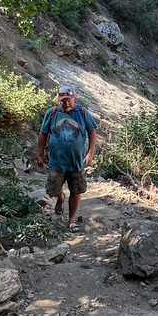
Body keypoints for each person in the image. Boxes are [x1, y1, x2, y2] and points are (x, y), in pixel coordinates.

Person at [36, 85, 97, 232]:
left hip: (77, 162)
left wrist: (90, 153)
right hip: (57, 162)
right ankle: (61, 198)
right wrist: (40, 154)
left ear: (73, 97)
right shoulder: (52, 113)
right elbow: (43, 133)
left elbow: (92, 131)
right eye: (63, 100)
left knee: (76, 191)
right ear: (59, 99)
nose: (66, 103)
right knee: (52, 191)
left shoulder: (82, 112)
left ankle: (72, 220)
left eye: (69, 99)